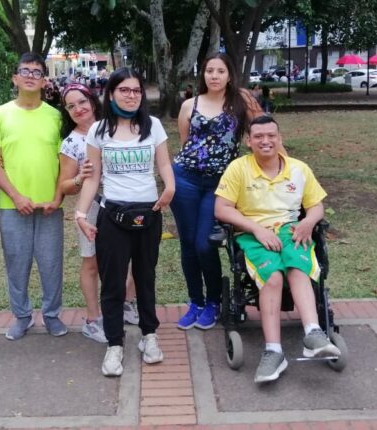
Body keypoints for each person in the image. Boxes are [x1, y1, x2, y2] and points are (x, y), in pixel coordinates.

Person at [214, 115, 341, 383]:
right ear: (249, 141)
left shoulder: (299, 169)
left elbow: (316, 205)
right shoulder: (238, 168)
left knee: (297, 266)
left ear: (280, 138)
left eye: (271, 135)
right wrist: (257, 230)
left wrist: (308, 222)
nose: (266, 141)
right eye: (258, 136)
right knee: (272, 277)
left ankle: (313, 333)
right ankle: (273, 351)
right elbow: (222, 209)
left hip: (291, 229)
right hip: (253, 232)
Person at [75, 67, 175, 377]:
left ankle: (149, 335)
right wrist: (80, 214)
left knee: (145, 278)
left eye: (136, 90)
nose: (131, 95)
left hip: (148, 214)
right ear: (111, 94)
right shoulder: (98, 130)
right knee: (113, 283)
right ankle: (114, 344)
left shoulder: (153, 126)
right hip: (113, 216)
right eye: (124, 90)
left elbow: (164, 165)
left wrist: (170, 188)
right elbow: (92, 178)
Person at [172, 52, 263, 331]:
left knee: (205, 243)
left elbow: (263, 130)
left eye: (220, 71)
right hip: (185, 180)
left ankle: (213, 301)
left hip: (220, 185)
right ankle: (196, 301)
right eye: (209, 70)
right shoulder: (189, 105)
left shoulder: (241, 101)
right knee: (188, 244)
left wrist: (285, 164)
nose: (214, 76)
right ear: (203, 74)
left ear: (229, 75)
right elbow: (186, 142)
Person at [0, 52, 67, 340]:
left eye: (37, 72)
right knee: (16, 264)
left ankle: (52, 315)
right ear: (15, 78)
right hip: (12, 206)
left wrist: (57, 198)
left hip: (49, 207)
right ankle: (22, 316)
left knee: (51, 265)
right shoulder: (0, 115)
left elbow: (65, 162)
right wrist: (16, 196)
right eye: (25, 71)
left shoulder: (56, 117)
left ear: (44, 81)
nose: (31, 76)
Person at [57, 82, 141, 343]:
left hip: (124, 201)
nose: (78, 109)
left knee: (131, 256)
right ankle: (93, 320)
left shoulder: (115, 127)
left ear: (93, 101)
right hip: (92, 205)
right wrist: (79, 178)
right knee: (91, 262)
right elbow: (64, 186)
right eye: (71, 106)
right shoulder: (71, 143)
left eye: (82, 102)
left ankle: (127, 303)